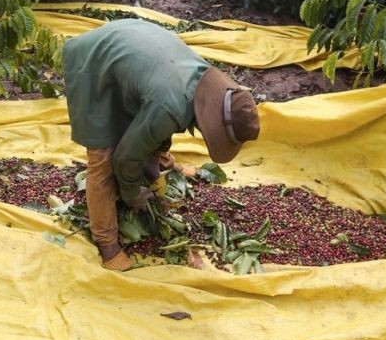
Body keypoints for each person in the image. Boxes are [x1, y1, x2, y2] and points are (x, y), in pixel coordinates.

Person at [62, 19, 261, 271]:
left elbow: (159, 127)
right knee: (103, 157)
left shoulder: (200, 85)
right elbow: (126, 158)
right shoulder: (170, 105)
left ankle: (152, 172)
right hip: (93, 62)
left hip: (130, 46)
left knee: (145, 129)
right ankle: (107, 243)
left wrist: (153, 171)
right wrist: (132, 194)